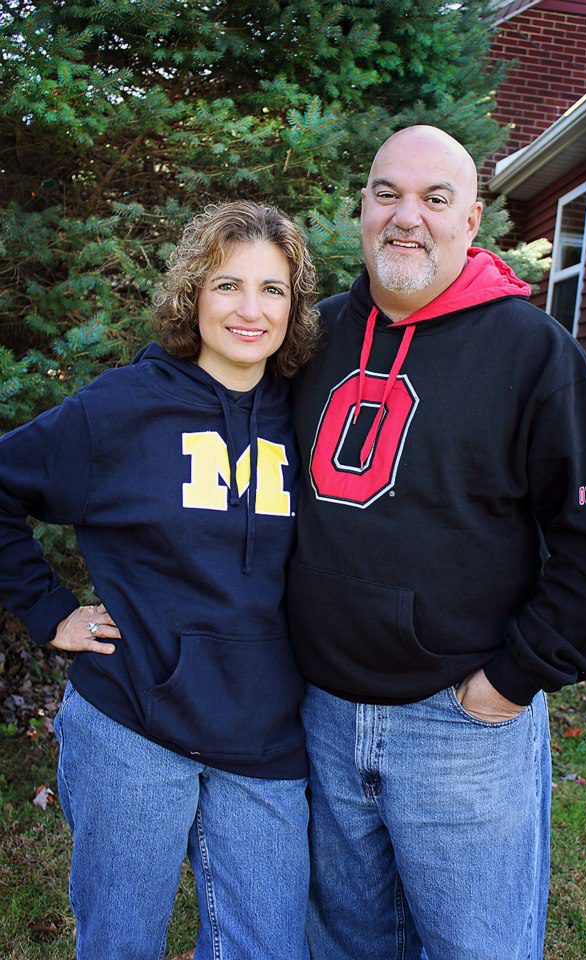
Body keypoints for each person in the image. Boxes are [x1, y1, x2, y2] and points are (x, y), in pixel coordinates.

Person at [287, 126, 586, 960]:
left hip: (459, 726)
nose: (406, 217)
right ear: (362, 208)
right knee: (345, 946)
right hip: (322, 715)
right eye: (387, 195)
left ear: (472, 220)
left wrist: (511, 684)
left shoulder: (536, 354)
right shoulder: (311, 338)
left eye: (435, 199)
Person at [0, 201, 319, 960]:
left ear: (294, 307)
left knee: (267, 947)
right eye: (227, 285)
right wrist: (49, 612)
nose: (250, 310)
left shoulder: (308, 416)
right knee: (122, 945)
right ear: (192, 295)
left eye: (272, 289)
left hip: (266, 734)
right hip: (132, 723)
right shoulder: (123, 408)